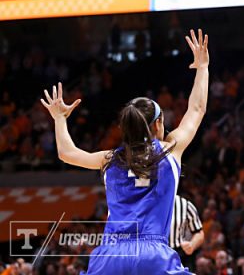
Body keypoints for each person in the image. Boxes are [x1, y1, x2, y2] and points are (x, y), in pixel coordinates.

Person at [40, 29, 209, 275]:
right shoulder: (170, 151)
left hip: (112, 255)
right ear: (158, 124)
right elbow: (196, 109)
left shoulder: (109, 159)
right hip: (153, 254)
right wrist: (202, 67)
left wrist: (59, 118)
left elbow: (67, 152)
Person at [170, 195, 205, 271]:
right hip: (152, 254)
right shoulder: (145, 202)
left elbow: (199, 233)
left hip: (177, 254)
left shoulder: (185, 205)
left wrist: (192, 245)